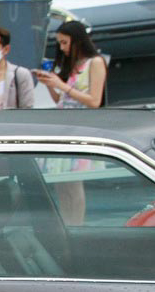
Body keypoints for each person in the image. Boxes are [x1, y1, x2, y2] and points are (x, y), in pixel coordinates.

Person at [36, 20, 107, 224]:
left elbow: (95, 100)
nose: (62, 48)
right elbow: (61, 100)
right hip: (63, 126)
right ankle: (68, 224)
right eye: (60, 43)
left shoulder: (94, 63)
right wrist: (50, 85)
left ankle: (77, 224)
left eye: (65, 43)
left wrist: (62, 86)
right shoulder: (72, 65)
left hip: (81, 127)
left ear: (77, 41)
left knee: (74, 183)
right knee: (61, 184)